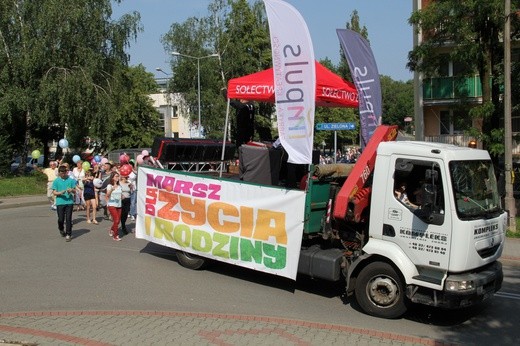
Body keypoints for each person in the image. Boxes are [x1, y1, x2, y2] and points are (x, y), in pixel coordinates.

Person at [52, 165, 77, 242]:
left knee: (68, 218)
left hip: (69, 202)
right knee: (61, 219)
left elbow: (75, 191)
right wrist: (60, 193)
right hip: (60, 202)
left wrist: (71, 190)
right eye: (61, 173)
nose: (63, 174)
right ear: (59, 173)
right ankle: (61, 229)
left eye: (64, 172)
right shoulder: (56, 181)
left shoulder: (70, 180)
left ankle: (68, 234)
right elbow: (54, 192)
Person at [106, 172, 122, 241]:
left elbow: (120, 194)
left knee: (117, 221)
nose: (117, 178)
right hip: (112, 204)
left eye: (118, 176)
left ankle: (112, 229)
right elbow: (107, 195)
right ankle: (116, 236)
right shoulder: (109, 186)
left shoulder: (119, 186)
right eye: (116, 176)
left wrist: (122, 196)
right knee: (116, 220)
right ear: (112, 178)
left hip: (119, 204)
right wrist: (112, 189)